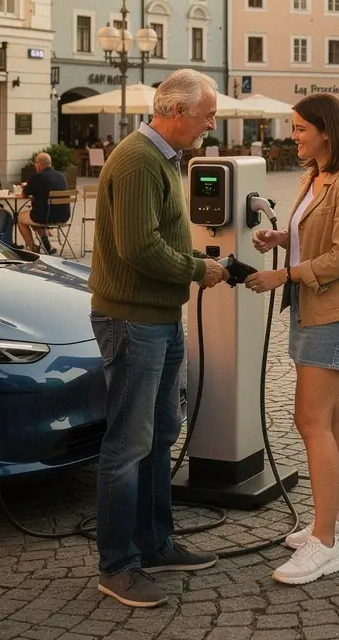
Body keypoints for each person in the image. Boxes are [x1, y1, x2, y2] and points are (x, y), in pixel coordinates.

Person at [89, 69, 228, 608]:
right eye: (206, 115)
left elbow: (157, 239)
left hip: (160, 318)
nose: (211, 125)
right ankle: (117, 566)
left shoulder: (165, 160)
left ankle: (154, 543)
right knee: (128, 444)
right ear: (174, 111)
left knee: (162, 431)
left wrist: (195, 266)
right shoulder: (138, 160)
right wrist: (197, 269)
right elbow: (139, 248)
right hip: (133, 321)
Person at [245, 93, 339, 585]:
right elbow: (314, 234)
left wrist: (283, 274)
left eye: (300, 128)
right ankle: (337, 520)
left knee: (310, 421)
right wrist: (283, 240)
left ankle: (324, 544)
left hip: (334, 312)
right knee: (331, 417)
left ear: (326, 131)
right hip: (309, 308)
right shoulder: (313, 177)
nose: (293, 135)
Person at [17, 152, 69, 254]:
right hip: (63, 216)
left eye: (35, 163)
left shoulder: (37, 177)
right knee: (37, 216)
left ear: (39, 164)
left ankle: (32, 248)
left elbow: (24, 194)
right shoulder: (61, 175)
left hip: (45, 217)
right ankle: (47, 246)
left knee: (20, 218)